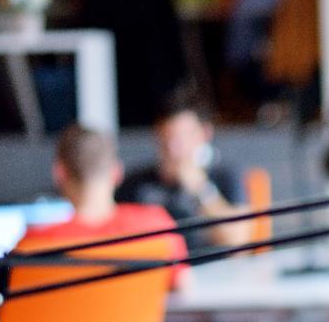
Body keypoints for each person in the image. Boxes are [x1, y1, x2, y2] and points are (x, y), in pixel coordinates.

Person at [18, 123, 187, 288]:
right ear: (117, 172)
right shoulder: (158, 227)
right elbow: (182, 285)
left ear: (60, 174)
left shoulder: (32, 247)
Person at [116, 89, 252, 249]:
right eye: (165, 140)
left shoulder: (224, 174)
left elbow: (239, 241)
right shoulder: (137, 183)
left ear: (204, 133)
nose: (172, 149)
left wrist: (201, 190)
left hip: (209, 262)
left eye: (180, 139)